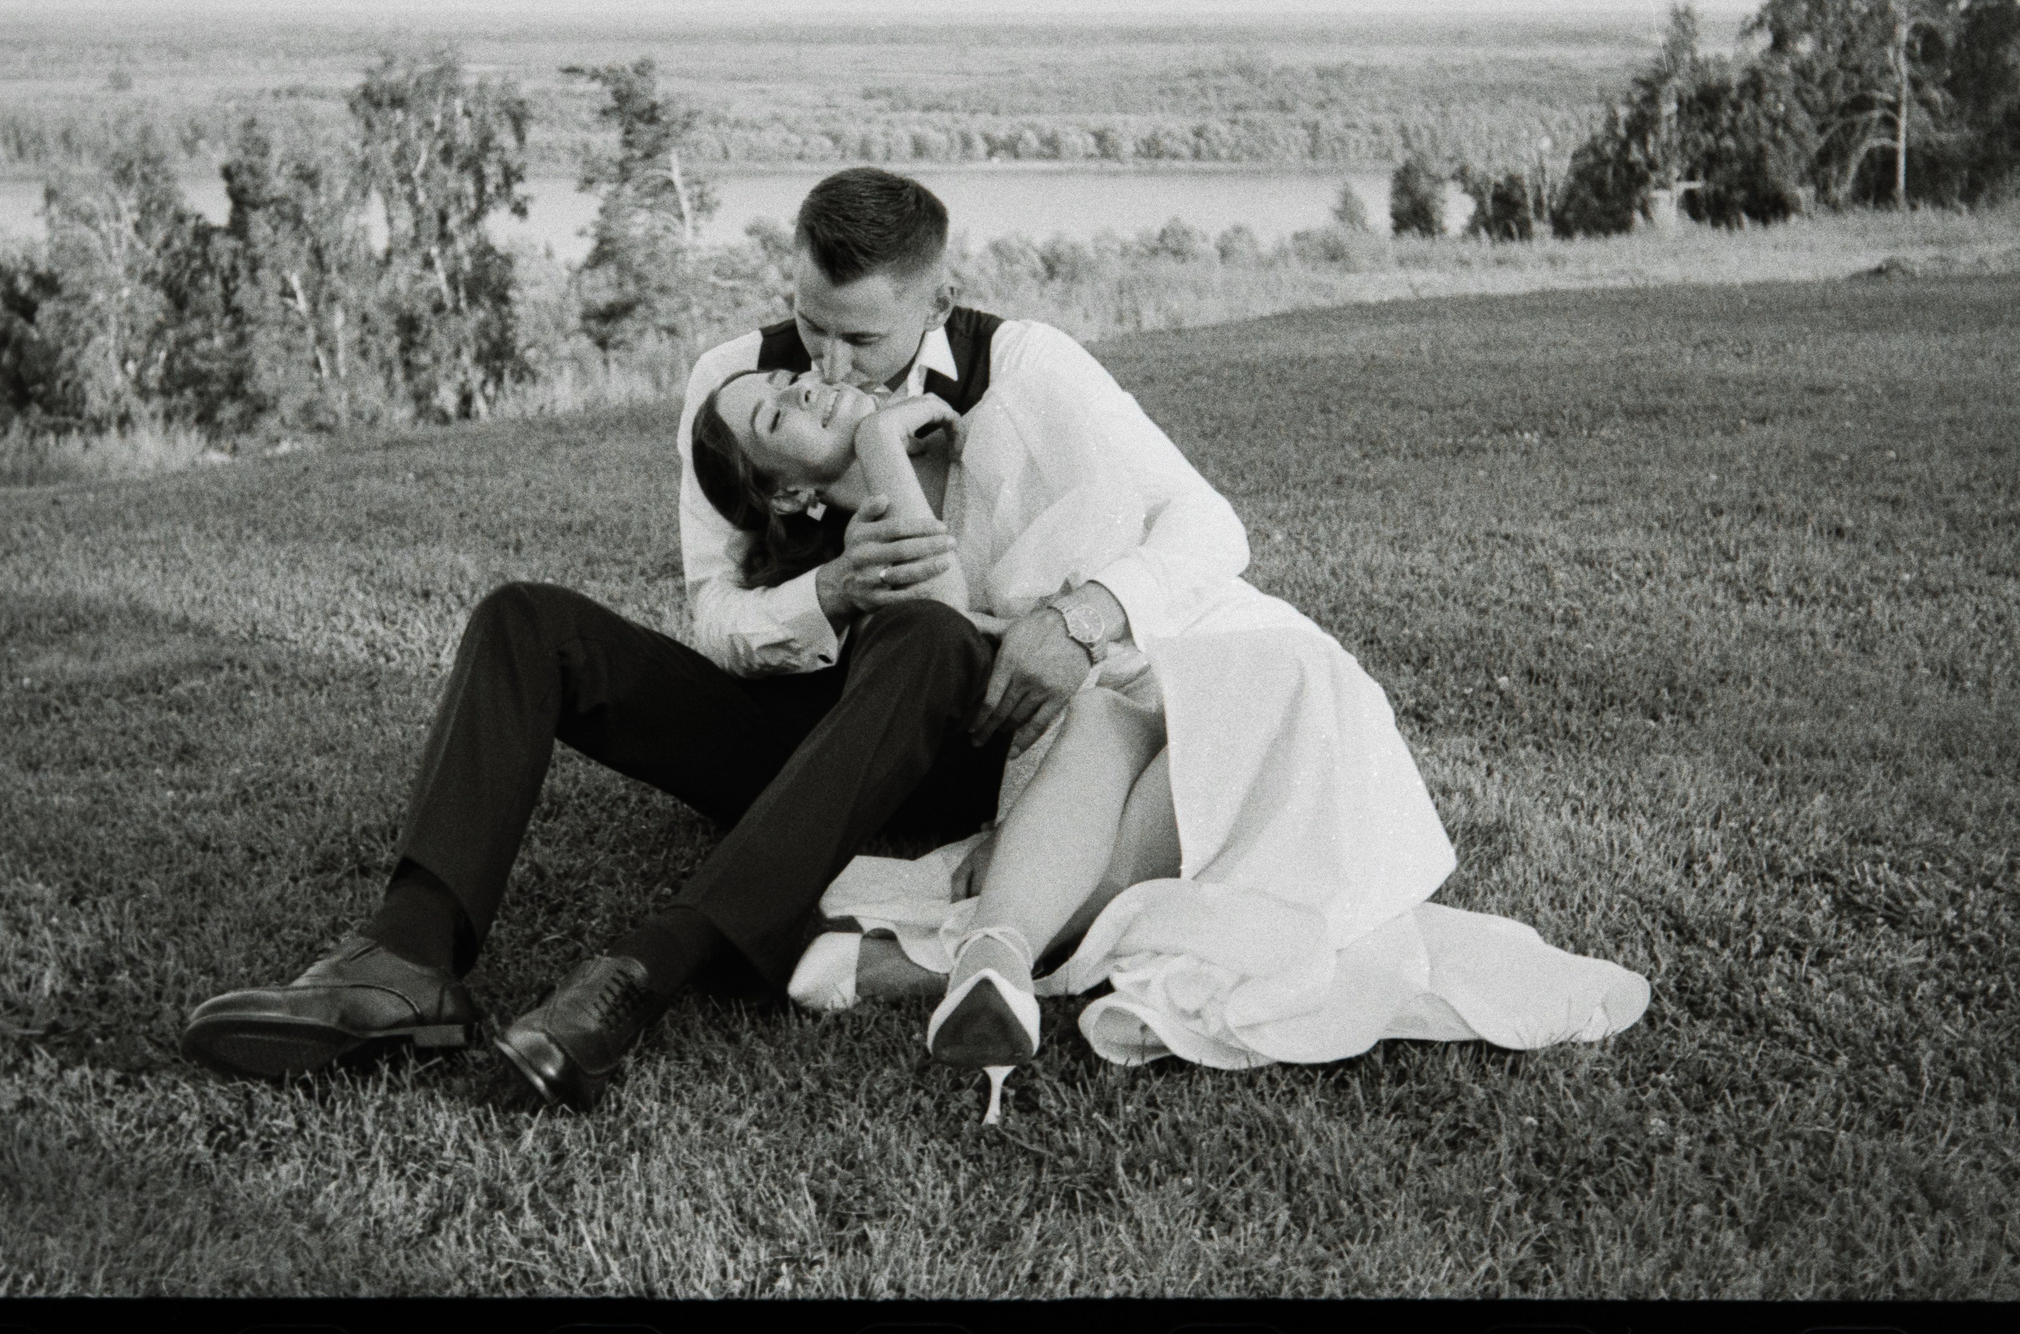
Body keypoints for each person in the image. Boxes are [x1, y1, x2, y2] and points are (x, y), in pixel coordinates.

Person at [178, 167, 1240, 1111]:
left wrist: (1079, 614)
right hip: (784, 733)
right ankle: (405, 957)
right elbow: (714, 617)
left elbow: (1208, 526)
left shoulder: (1027, 366)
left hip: (943, 738)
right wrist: (825, 590)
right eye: (810, 322)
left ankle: (647, 970)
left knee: (923, 634)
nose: (828, 360)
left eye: (862, 337)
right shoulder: (737, 380)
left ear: (936, 300)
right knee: (524, 621)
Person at [690, 322, 1653, 1122]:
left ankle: (983, 951)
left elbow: (1195, 530)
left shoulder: (993, 420)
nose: (810, 387)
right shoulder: (876, 519)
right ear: (791, 492)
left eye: (789, 377)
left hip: (1207, 669)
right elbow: (940, 611)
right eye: (781, 414)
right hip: (1092, 735)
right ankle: (966, 953)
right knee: (1127, 714)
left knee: (1195, 693)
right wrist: (879, 447)